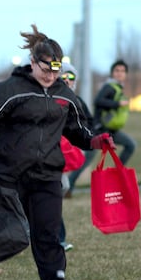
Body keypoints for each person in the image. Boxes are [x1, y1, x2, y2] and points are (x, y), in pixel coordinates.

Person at [0, 25, 113, 280]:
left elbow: (79, 130)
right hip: (7, 176)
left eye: (56, 70)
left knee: (49, 241)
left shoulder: (65, 95)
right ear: (32, 62)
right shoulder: (10, 89)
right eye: (45, 69)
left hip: (47, 177)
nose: (50, 76)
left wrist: (96, 141)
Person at [69, 59, 135, 191]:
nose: (120, 73)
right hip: (101, 130)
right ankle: (68, 186)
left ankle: (116, 177)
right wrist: (117, 104)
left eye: (122, 71)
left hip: (111, 131)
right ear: (112, 73)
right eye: (117, 70)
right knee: (88, 159)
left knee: (130, 145)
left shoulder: (117, 88)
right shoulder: (109, 87)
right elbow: (98, 101)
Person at [58, 62, 92, 250]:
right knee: (57, 189)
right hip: (45, 153)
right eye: (63, 76)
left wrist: (92, 138)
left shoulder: (76, 101)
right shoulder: (49, 97)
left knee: (61, 188)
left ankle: (57, 238)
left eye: (71, 77)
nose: (67, 80)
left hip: (64, 152)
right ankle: (58, 239)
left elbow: (87, 122)